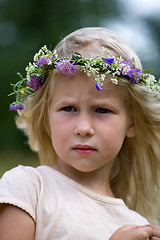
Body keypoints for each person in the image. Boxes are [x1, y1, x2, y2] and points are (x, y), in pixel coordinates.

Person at [0, 27, 160, 240]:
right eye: (68, 108)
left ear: (132, 123)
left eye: (103, 110)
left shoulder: (139, 227)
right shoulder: (28, 188)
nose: (83, 128)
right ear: (46, 118)